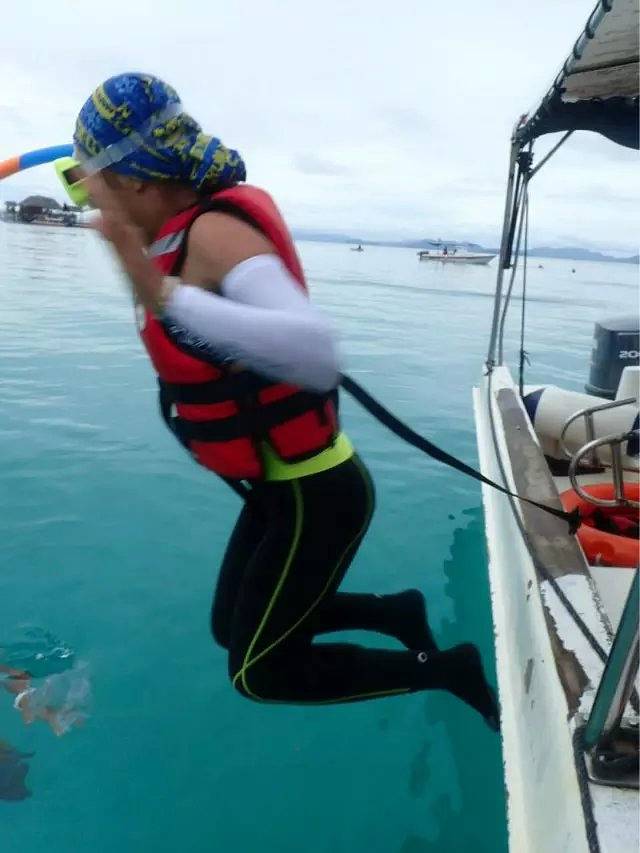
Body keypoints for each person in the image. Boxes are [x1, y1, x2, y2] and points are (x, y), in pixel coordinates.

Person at [66, 73, 498, 726]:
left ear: (138, 182)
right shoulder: (165, 242)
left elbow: (315, 351)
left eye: (87, 184)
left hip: (318, 494)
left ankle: (446, 669)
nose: (85, 200)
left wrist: (160, 293)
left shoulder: (214, 233)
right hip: (277, 489)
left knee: (260, 673)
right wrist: (146, 275)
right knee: (228, 628)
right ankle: (395, 611)